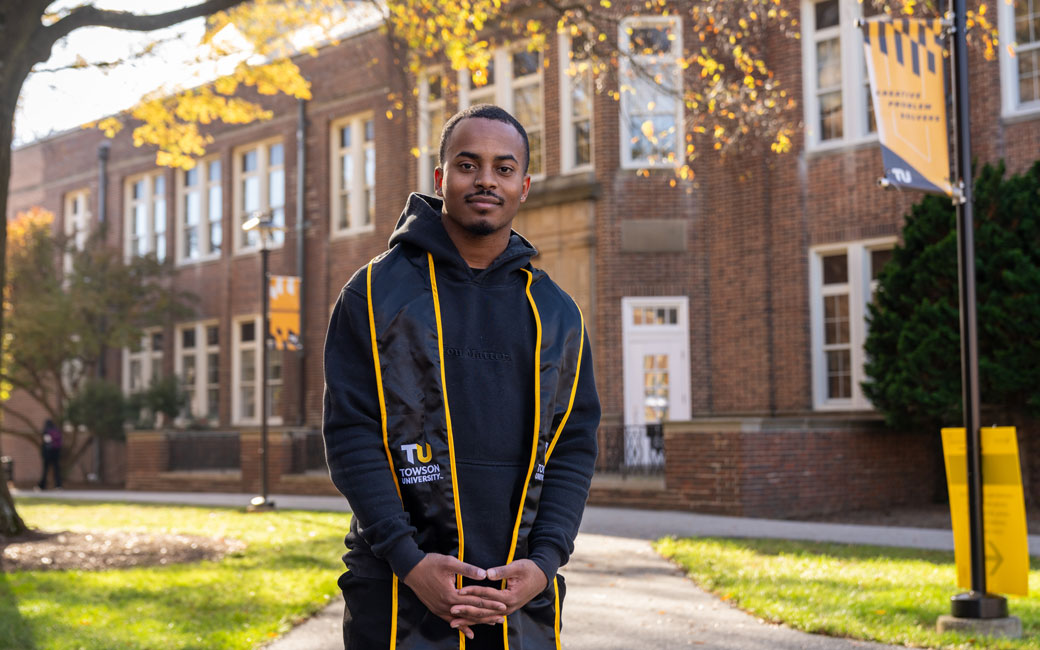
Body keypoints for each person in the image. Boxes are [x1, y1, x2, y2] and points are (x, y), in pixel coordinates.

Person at [322, 104, 600, 650]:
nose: (485, 181)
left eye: (503, 168)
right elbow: (352, 435)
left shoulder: (556, 312)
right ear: (441, 177)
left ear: (524, 185)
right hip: (399, 593)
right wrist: (409, 559)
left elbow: (573, 445)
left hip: (517, 599)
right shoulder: (375, 292)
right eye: (468, 164)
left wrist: (544, 563)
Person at [38, 419, 62, 490]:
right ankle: (58, 485)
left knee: (45, 470)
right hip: (56, 453)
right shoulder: (56, 430)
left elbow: (47, 442)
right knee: (56, 470)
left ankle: (42, 486)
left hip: (48, 453)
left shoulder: (47, 431)